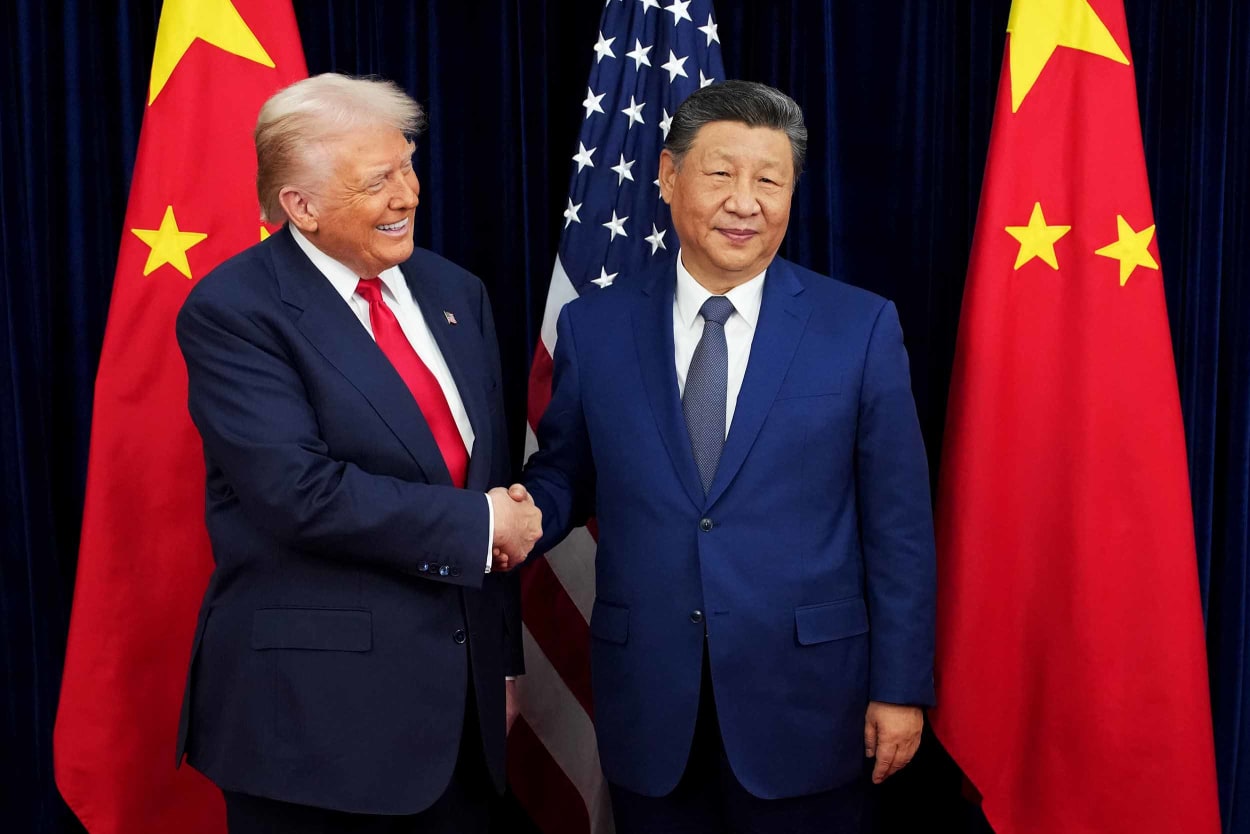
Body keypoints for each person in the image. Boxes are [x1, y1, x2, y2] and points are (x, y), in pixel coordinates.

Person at [522, 80, 936, 832]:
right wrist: (506, 517)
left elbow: (899, 526)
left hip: (812, 703)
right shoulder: (595, 328)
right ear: (668, 177)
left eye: (768, 180)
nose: (745, 202)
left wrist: (901, 687)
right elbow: (564, 475)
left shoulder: (860, 328)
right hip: (650, 701)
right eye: (720, 174)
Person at [174, 73, 540, 834]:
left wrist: (501, 660)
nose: (407, 194)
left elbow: (487, 473)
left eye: (407, 165)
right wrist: (478, 526)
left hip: (462, 726)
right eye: (378, 181)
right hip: (317, 730)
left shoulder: (455, 290)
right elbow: (296, 492)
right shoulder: (235, 311)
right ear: (298, 205)